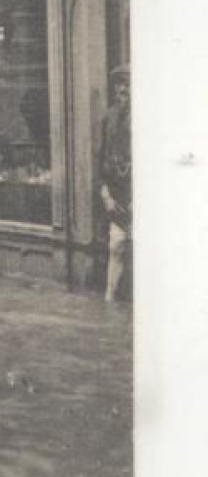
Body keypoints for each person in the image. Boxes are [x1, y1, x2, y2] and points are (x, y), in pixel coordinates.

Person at [99, 64, 132, 302]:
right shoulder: (109, 118)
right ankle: (109, 298)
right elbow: (103, 156)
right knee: (116, 245)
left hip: (140, 193)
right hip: (117, 191)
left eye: (128, 84)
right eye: (119, 85)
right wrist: (105, 192)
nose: (123, 90)